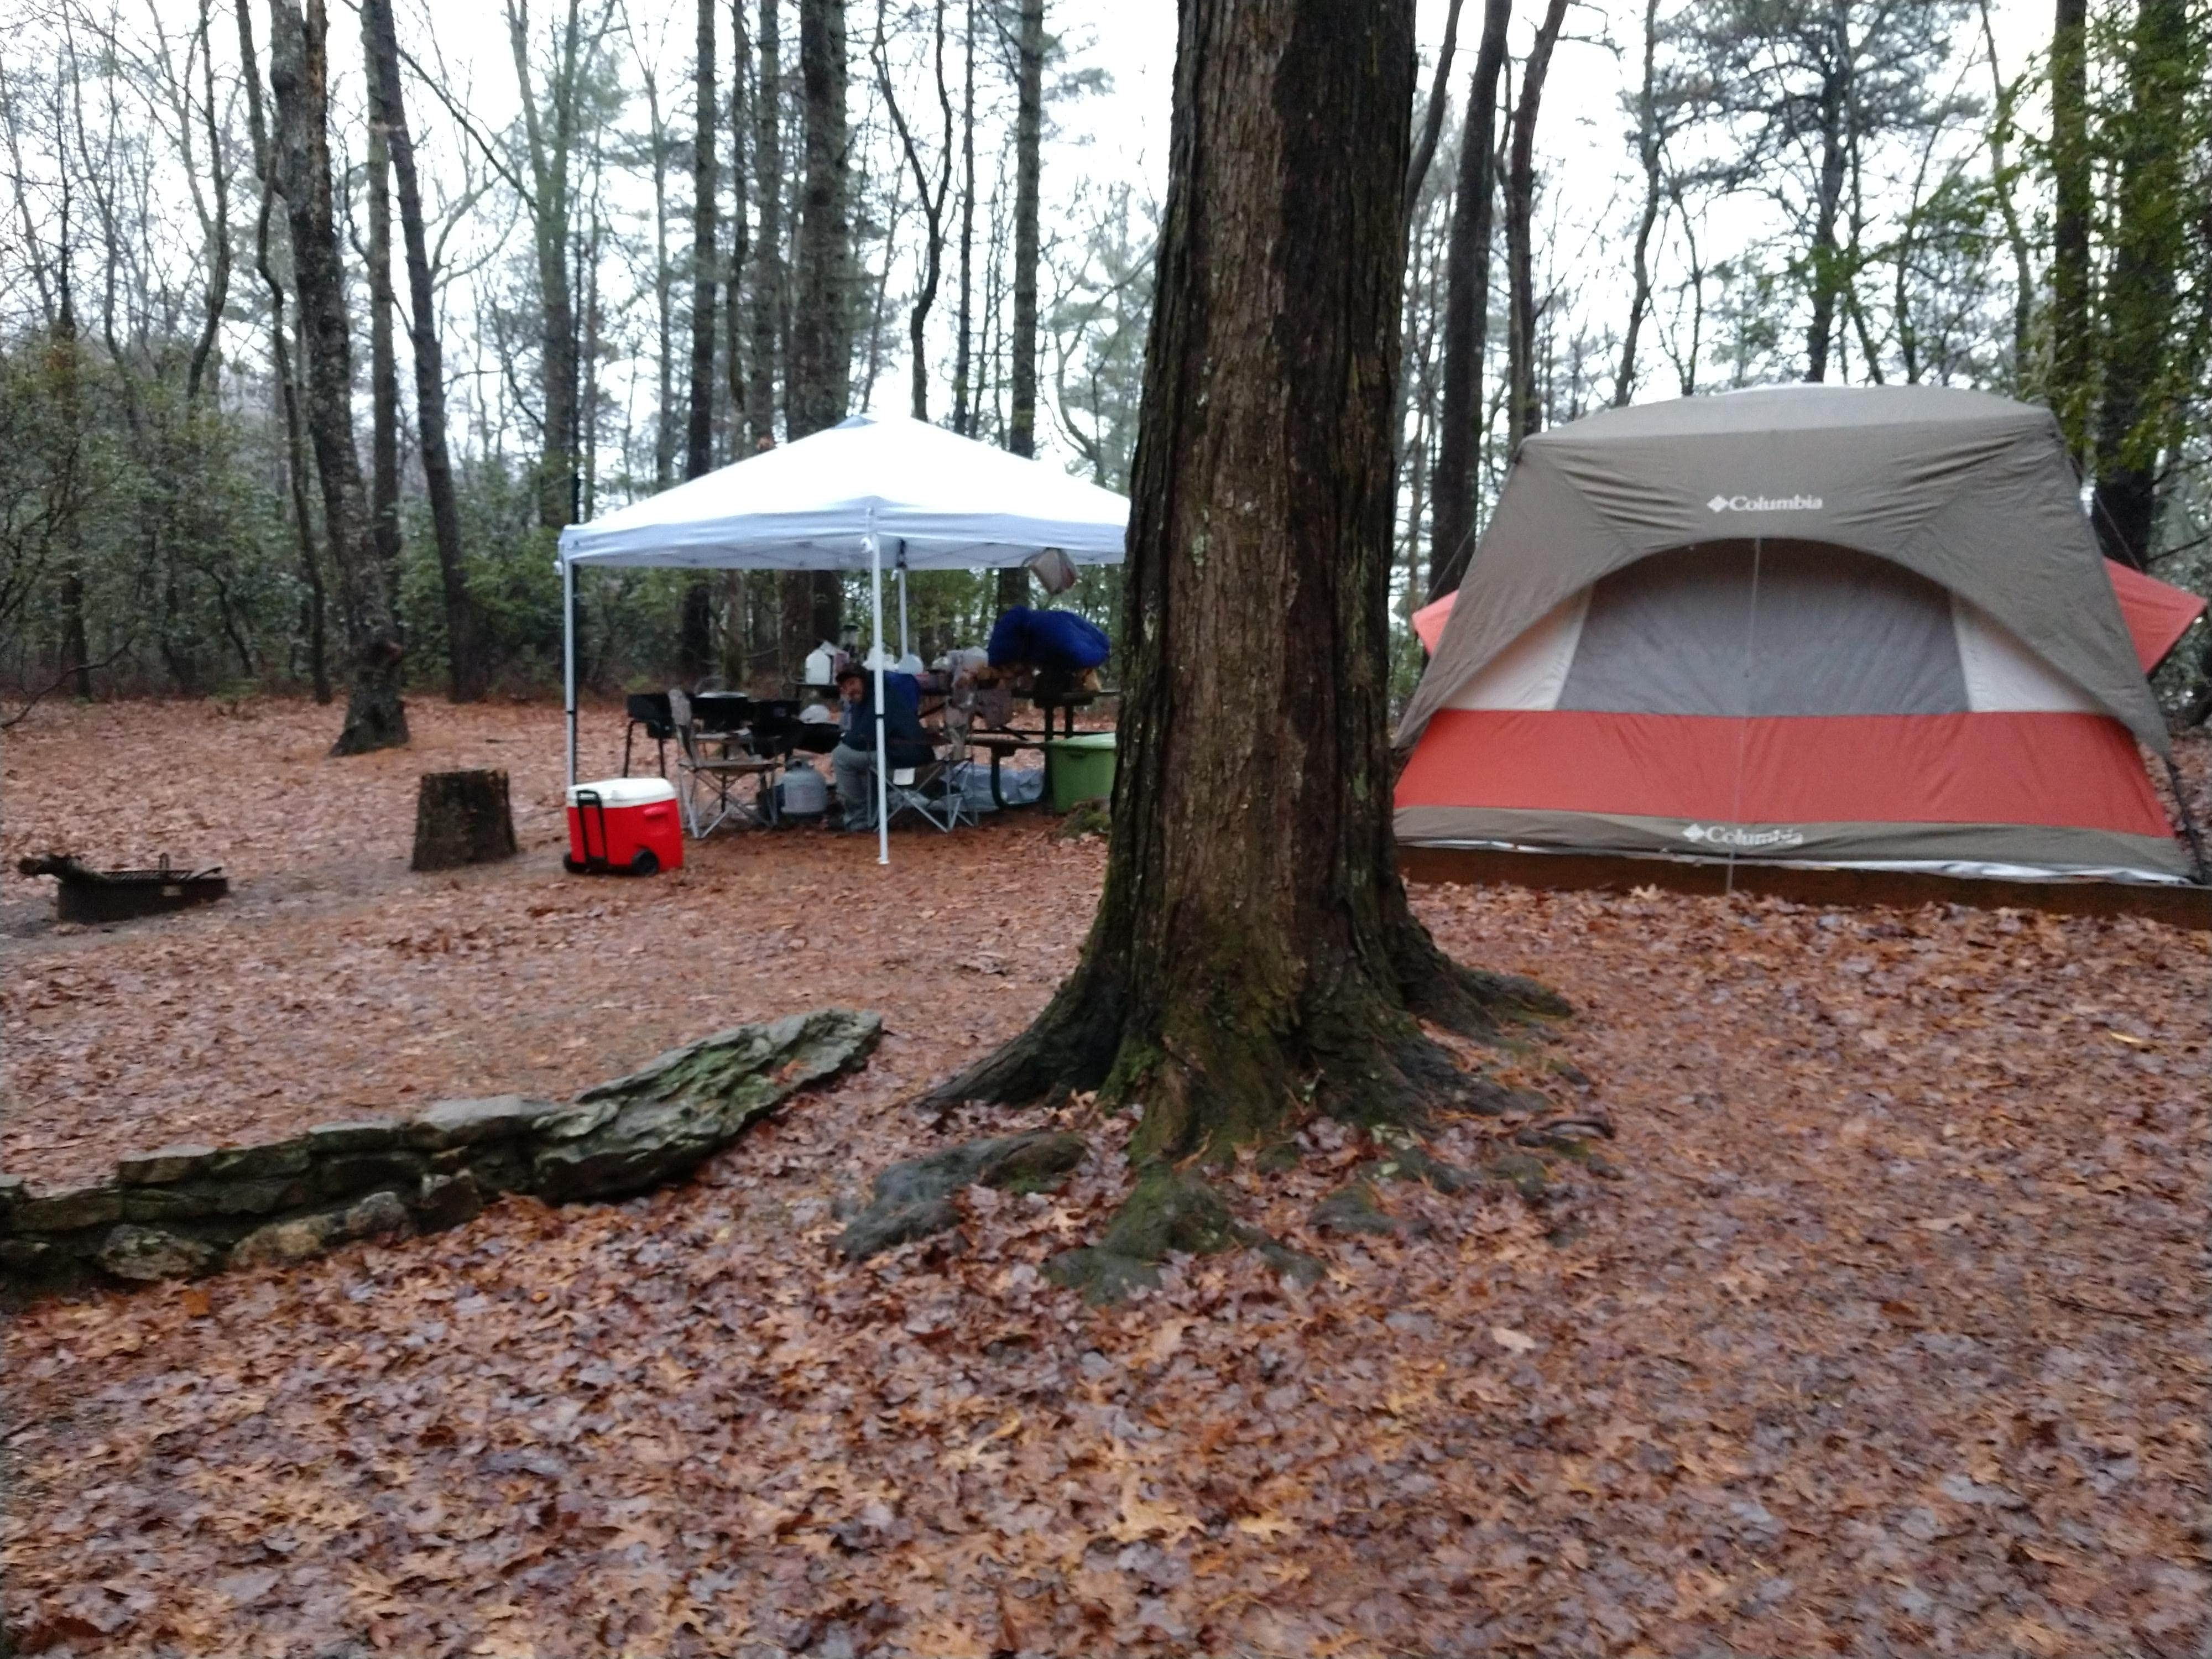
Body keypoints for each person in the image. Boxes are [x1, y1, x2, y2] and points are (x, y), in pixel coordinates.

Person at [831, 662, 933, 829]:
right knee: (851, 755)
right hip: (896, 751)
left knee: (841, 756)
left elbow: (866, 737)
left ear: (863, 680)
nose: (849, 690)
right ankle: (869, 814)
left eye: (852, 683)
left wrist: (844, 740)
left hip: (904, 756)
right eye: (844, 687)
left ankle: (859, 817)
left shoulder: (881, 697)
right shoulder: (869, 697)